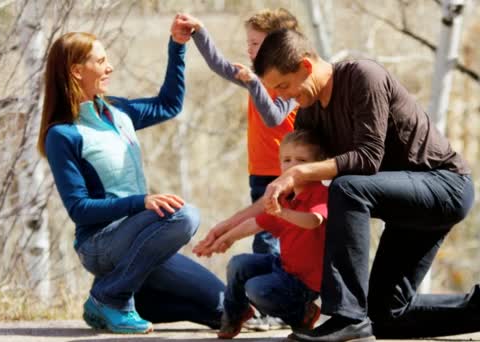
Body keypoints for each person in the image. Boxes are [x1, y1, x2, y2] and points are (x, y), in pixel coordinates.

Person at [253, 28, 480, 341]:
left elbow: (368, 158)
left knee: (347, 188)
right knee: (386, 316)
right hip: (406, 208)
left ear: (306, 66)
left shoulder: (363, 77)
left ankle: (347, 316)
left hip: (445, 186)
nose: (283, 96)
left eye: (283, 85)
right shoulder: (309, 117)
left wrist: (298, 174)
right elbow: (302, 186)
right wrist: (232, 224)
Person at [37, 29, 225, 334]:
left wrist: (177, 46)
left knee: (226, 306)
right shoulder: (64, 134)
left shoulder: (117, 112)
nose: (109, 67)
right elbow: (79, 209)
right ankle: (111, 296)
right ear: (76, 71)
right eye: (100, 61)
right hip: (100, 243)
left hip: (142, 243)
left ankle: (123, 293)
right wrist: (141, 202)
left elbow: (168, 105)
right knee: (184, 216)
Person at [172, 10, 299, 331]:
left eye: (255, 44)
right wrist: (200, 32)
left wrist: (255, 83)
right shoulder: (257, 75)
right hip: (259, 172)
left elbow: (274, 116)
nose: (249, 50)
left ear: (276, 46)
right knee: (263, 241)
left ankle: (277, 308)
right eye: (248, 43)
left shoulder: (288, 83)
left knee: (272, 241)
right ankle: (268, 306)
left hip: (286, 175)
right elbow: (219, 65)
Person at [193, 130, 327, 339]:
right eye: (286, 160)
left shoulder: (320, 193)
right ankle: (234, 316)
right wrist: (224, 239)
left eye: (301, 161)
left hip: (304, 283)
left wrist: (283, 213)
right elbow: (255, 223)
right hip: (283, 267)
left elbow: (314, 221)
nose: (292, 167)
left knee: (256, 289)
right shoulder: (285, 198)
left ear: (317, 166)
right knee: (238, 264)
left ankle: (303, 314)